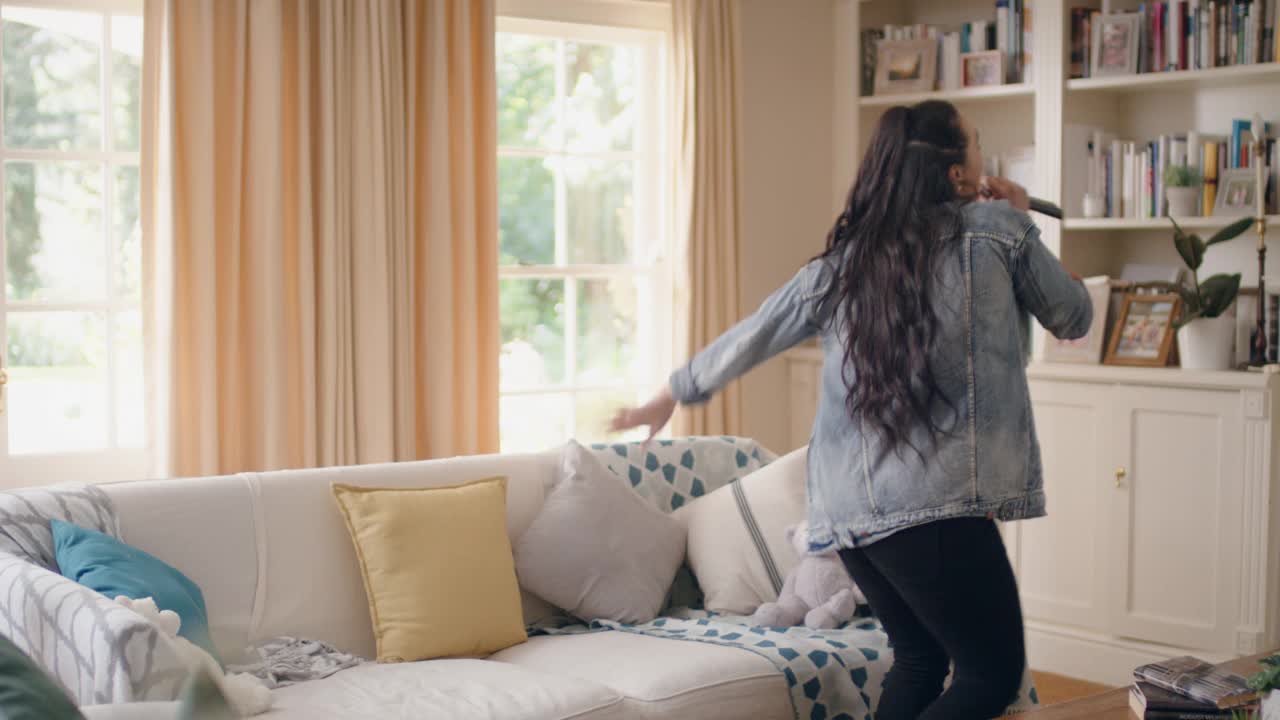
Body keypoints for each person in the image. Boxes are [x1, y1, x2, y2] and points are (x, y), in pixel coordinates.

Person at [610, 100, 1092, 720]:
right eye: (975, 144)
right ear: (955, 174)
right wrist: (1021, 218)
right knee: (989, 676)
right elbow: (1073, 315)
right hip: (934, 506)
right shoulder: (997, 233)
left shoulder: (846, 264)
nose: (982, 155)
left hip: (848, 514)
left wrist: (670, 393)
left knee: (918, 661)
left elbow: (754, 333)